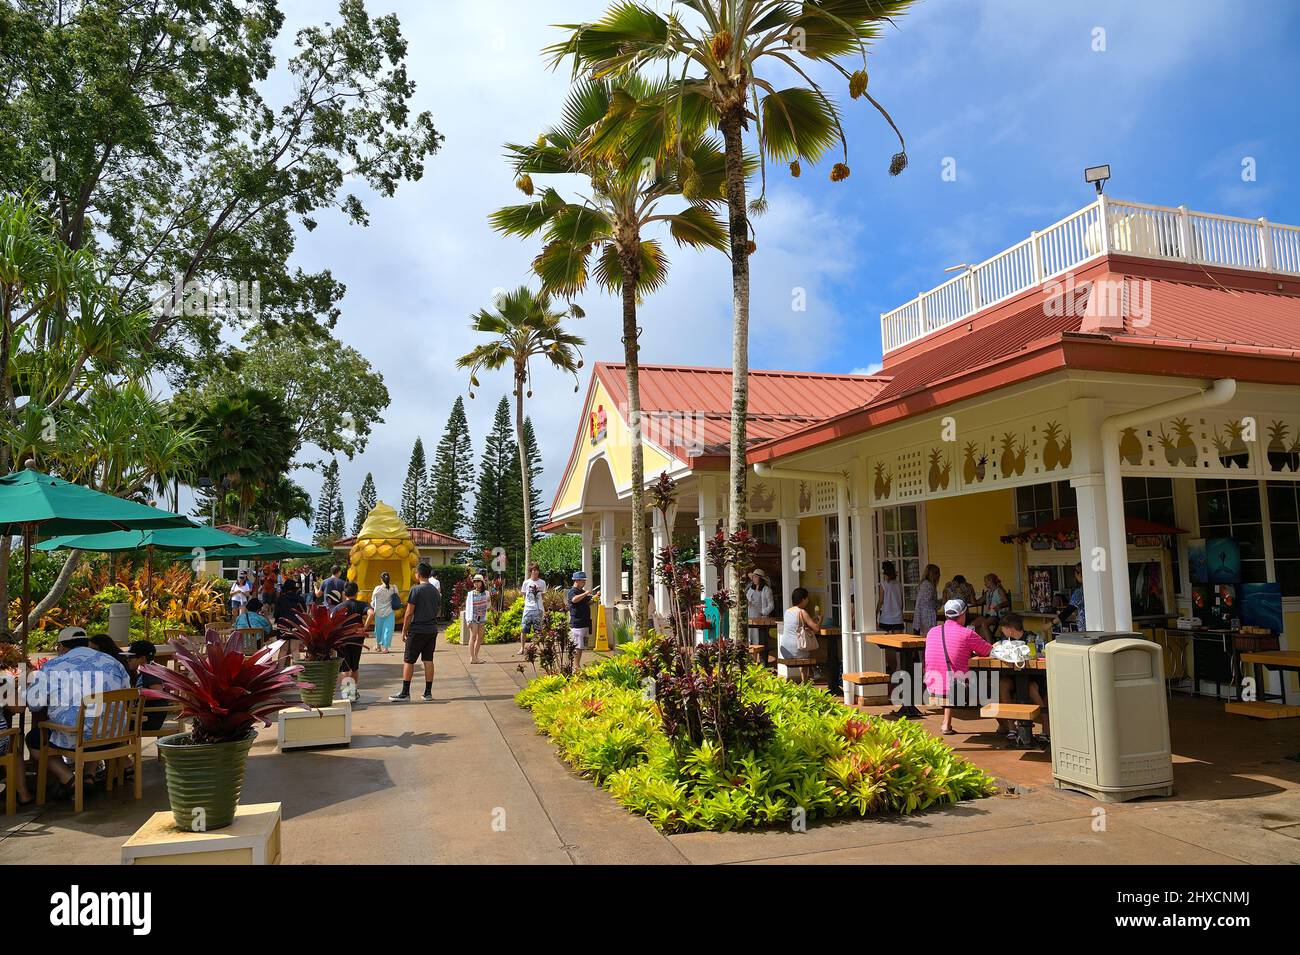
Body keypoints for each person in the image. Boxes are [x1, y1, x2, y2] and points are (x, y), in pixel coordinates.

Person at [25, 626, 130, 799]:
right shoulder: (112, 662)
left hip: (77, 737)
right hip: (114, 735)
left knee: (35, 738)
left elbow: (34, 705)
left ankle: (69, 780)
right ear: (86, 643)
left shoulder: (51, 667)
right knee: (95, 719)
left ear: (61, 647)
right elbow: (127, 691)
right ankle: (88, 777)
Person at [924, 599, 994, 735]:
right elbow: (988, 651)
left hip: (931, 686)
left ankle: (946, 723)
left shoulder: (932, 632)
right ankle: (1008, 726)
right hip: (956, 689)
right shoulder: (967, 634)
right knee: (993, 688)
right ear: (963, 615)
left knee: (952, 676)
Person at [390, 563, 440, 702]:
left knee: (409, 660)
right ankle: (428, 693)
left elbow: (409, 613)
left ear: (418, 574)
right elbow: (437, 610)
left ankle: (405, 693)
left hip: (417, 629)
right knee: (428, 660)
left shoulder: (415, 590)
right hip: (432, 629)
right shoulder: (435, 591)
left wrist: (404, 630)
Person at [996, 613, 1049, 738]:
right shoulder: (1005, 642)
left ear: (1009, 629)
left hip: (1034, 677)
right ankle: (1012, 727)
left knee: (1031, 688)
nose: (1002, 631)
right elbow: (996, 649)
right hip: (1014, 677)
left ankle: (1046, 729)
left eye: (1003, 628)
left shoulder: (1033, 638)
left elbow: (1042, 654)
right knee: (1003, 684)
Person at [779, 587, 822, 682]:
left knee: (802, 650)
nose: (808, 600)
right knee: (811, 651)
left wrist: (812, 620)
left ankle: (810, 674)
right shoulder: (801, 612)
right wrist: (820, 620)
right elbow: (816, 629)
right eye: (807, 598)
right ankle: (812, 674)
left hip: (784, 650)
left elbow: (797, 626)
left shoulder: (787, 611)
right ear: (803, 599)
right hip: (796, 650)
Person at [337, 582, 370, 702]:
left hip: (343, 639)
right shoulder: (361, 605)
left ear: (344, 593)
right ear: (357, 593)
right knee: (355, 667)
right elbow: (371, 613)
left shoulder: (339, 607)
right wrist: (365, 627)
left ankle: (347, 695)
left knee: (344, 668)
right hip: (357, 639)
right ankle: (353, 692)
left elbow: (331, 620)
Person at [126, 641, 166, 732]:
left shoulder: (150, 672)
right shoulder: (142, 672)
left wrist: (134, 695)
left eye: (130, 657)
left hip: (150, 719)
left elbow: (158, 693)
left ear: (142, 658)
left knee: (116, 724)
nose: (127, 660)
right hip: (143, 715)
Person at [565, 571, 596, 669]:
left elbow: (588, 602)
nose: (584, 582)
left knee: (581, 646)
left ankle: (577, 665)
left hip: (585, 622)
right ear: (577, 580)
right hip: (577, 623)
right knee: (577, 646)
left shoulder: (582, 592)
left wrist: (595, 598)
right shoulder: (572, 591)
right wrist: (586, 593)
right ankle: (575, 666)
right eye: (583, 580)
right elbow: (574, 600)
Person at [273, 579, 307, 658]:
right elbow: (304, 612)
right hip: (296, 625)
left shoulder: (280, 599)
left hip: (283, 626)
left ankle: (281, 669)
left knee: (283, 649)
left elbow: (276, 614)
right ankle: (296, 669)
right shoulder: (300, 599)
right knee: (295, 649)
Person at [520, 564, 545, 653]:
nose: (535, 572)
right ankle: (522, 648)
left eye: (537, 570)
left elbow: (543, 595)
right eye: (533, 570)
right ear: (530, 571)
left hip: (538, 609)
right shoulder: (526, 582)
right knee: (524, 630)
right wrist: (528, 604)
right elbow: (524, 594)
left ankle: (535, 647)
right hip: (528, 609)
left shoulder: (542, 582)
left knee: (537, 630)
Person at [745, 569, 775, 645]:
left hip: (761, 619)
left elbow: (771, 605)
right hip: (750, 617)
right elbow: (747, 599)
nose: (754, 579)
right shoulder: (751, 589)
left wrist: (763, 612)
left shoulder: (766, 590)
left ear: (760, 579)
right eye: (753, 577)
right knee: (750, 639)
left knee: (760, 640)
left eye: (756, 577)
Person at [370, 572, 398, 653]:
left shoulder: (377, 588)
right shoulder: (394, 588)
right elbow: (397, 598)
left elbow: (373, 601)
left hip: (378, 612)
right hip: (389, 611)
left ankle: (378, 646)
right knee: (388, 630)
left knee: (378, 629)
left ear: (381, 579)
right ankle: (386, 648)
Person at [465, 574, 490, 665]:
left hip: (482, 617)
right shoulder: (471, 594)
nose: (476, 583)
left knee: (480, 637)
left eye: (478, 581)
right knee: (473, 636)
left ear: (482, 582)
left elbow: (488, 605)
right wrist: (468, 620)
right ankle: (472, 658)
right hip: (474, 618)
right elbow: (468, 607)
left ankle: (475, 656)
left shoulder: (486, 593)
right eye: (475, 581)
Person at [913, 564, 941, 635]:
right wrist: (942, 601)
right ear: (933, 574)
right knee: (928, 638)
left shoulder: (925, 584)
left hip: (925, 616)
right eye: (937, 573)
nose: (939, 575)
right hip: (927, 617)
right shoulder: (927, 585)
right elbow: (927, 603)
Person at [877, 561, 905, 633]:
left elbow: (881, 601)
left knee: (883, 642)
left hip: (886, 618)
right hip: (898, 618)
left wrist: (876, 613)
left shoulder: (883, 584)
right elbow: (901, 602)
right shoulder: (898, 584)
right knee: (897, 642)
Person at [1067, 563, 1086, 631]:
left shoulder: (1079, 592)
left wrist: (1051, 623)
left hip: (1085, 629)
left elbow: (1068, 612)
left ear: (1079, 574)